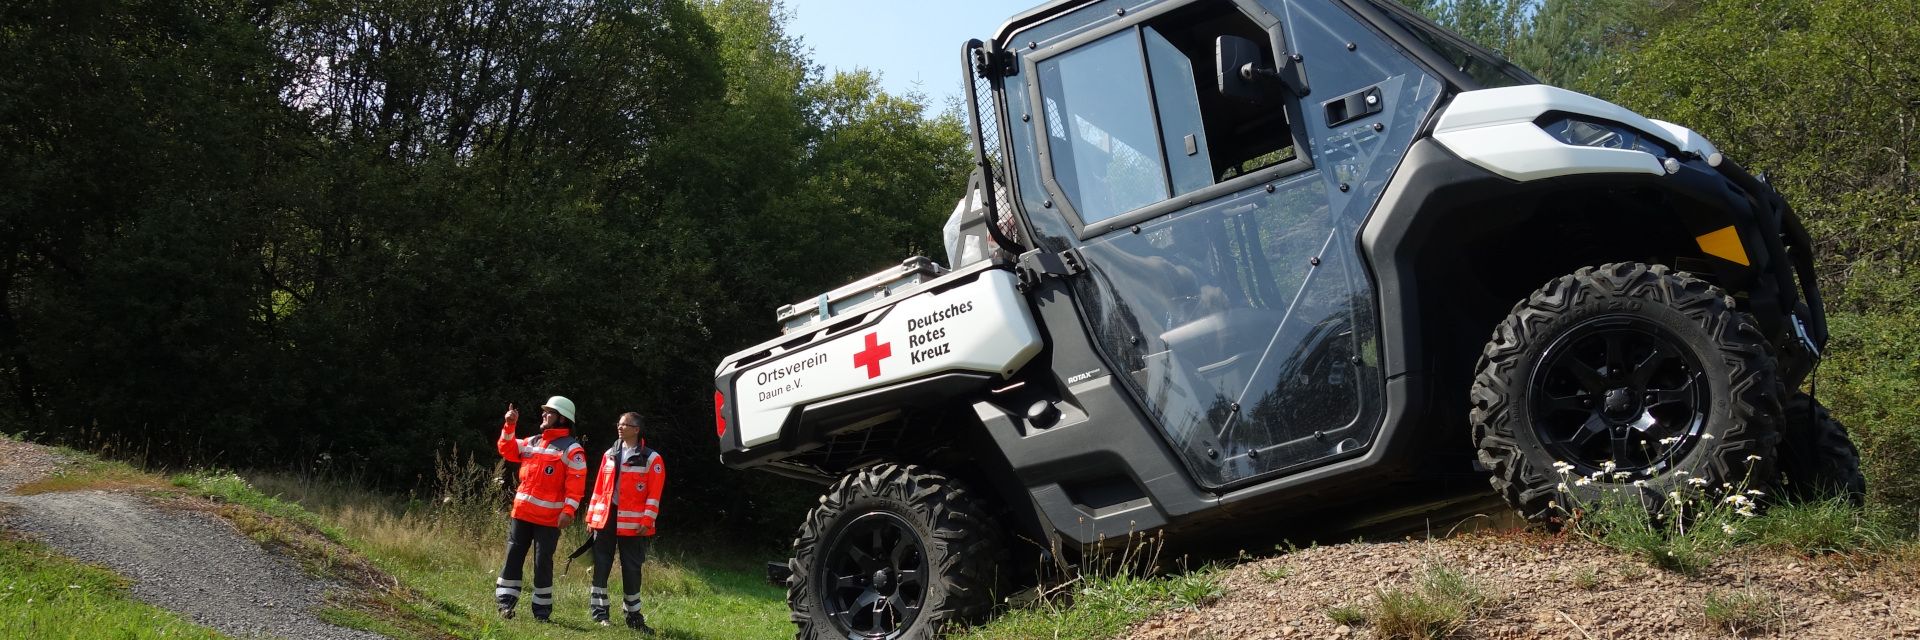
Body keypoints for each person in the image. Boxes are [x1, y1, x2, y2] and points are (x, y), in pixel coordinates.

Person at [493, 396, 587, 621]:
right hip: (522, 513)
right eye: (544, 412)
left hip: (549, 519)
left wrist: (568, 511)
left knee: (542, 562)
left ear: (562, 418)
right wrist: (510, 424)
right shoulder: (533, 441)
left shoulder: (573, 450)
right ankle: (505, 604)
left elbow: (576, 484)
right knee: (513, 557)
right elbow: (506, 449)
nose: (544, 415)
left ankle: (541, 612)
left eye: (549, 412)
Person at [582, 411, 665, 633]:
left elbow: (654, 494)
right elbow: (599, 488)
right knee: (601, 567)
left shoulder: (651, 458)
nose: (620, 427)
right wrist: (591, 517)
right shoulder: (609, 454)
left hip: (634, 525)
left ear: (636, 429)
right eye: (618, 424)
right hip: (606, 520)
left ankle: (634, 617)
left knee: (631, 570)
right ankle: (600, 614)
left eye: (625, 424)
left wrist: (648, 519)